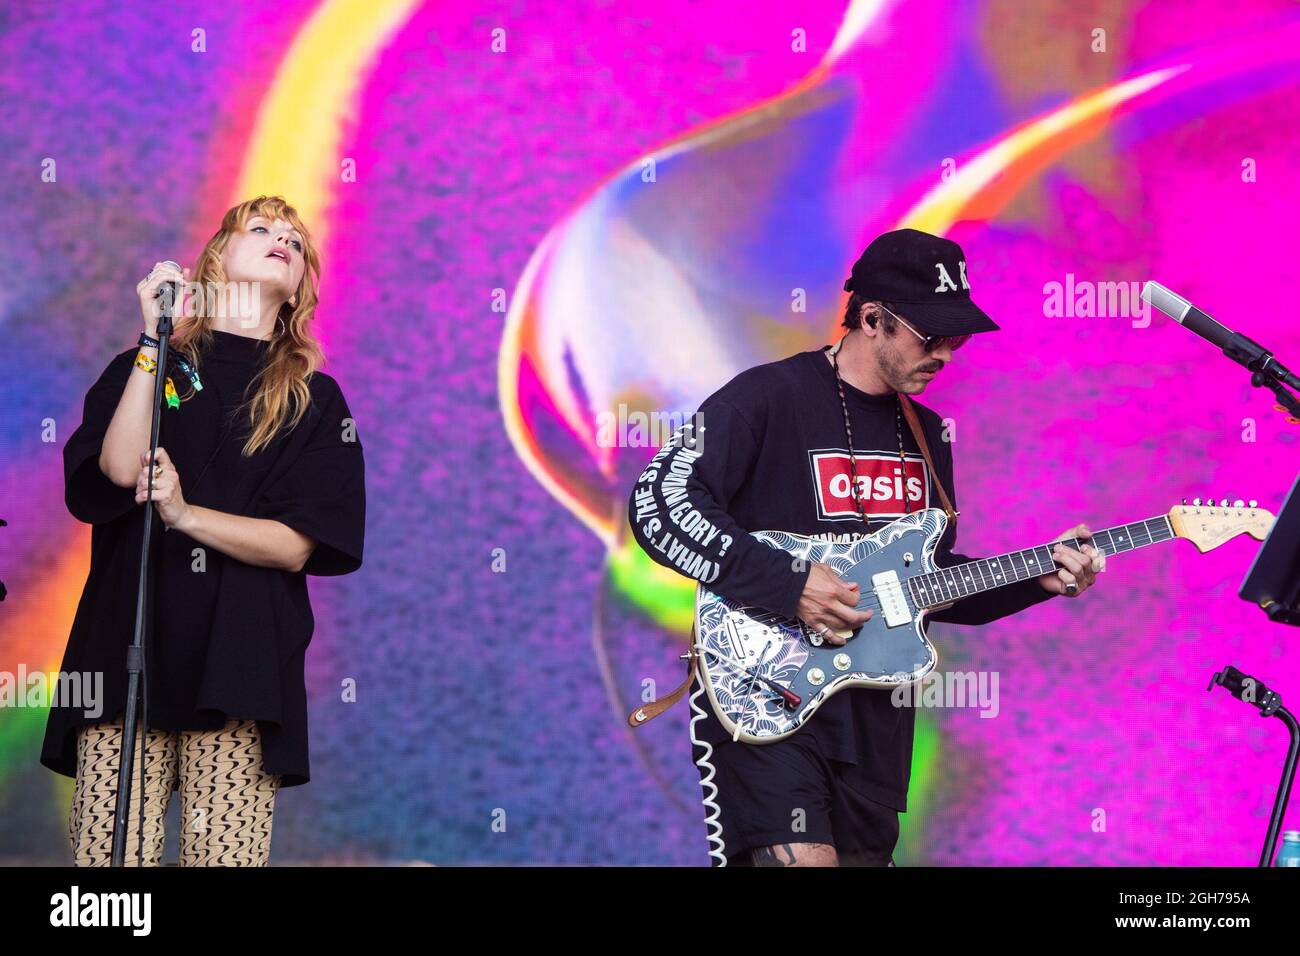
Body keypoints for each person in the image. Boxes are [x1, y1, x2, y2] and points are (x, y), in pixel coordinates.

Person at [627, 228, 1105, 867]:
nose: (946, 354)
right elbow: (660, 503)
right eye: (930, 336)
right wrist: (789, 582)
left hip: (876, 721)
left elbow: (923, 585)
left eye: (958, 339)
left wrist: (1037, 578)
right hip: (763, 689)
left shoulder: (927, 435)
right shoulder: (770, 397)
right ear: (873, 319)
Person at [41, 195, 366, 866]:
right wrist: (153, 344)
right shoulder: (151, 368)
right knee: (111, 870)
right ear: (216, 257)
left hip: (241, 664)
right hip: (125, 654)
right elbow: (121, 467)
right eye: (261, 228)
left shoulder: (315, 399)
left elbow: (298, 544)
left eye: (295, 240)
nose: (282, 239)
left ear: (302, 281)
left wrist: (186, 515)